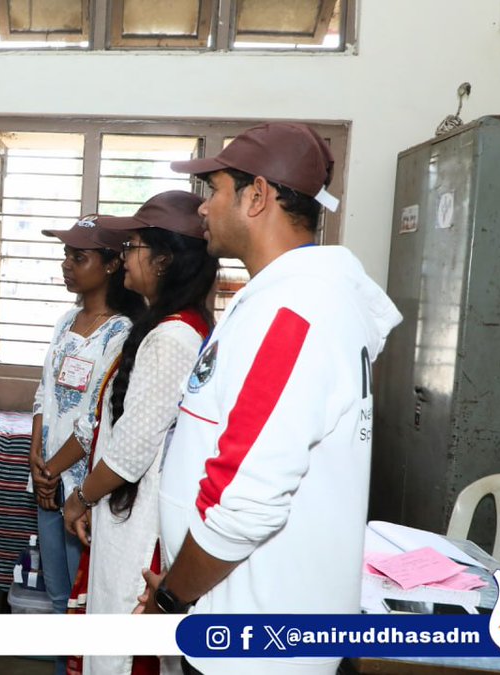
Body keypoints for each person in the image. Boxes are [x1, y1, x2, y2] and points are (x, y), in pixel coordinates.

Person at [143, 123, 402, 675]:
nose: (203, 210)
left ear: (256, 196)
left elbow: (243, 500)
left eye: (213, 191)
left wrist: (172, 600)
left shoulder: (293, 312)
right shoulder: (278, 299)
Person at [60, 192, 218, 675]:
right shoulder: (167, 325)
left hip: (142, 526)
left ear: (164, 259)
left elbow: (131, 448)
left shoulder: (172, 336)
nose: (123, 256)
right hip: (127, 515)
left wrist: (80, 498)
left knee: (123, 654)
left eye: (131, 246)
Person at [30, 217, 140, 649]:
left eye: (80, 257)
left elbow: (96, 418)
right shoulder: (66, 321)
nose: (67, 265)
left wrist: (53, 470)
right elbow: (44, 392)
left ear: (113, 264)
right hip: (47, 484)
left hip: (81, 490)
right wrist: (35, 460)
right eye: (66, 256)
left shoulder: (123, 333)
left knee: (80, 607)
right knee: (57, 602)